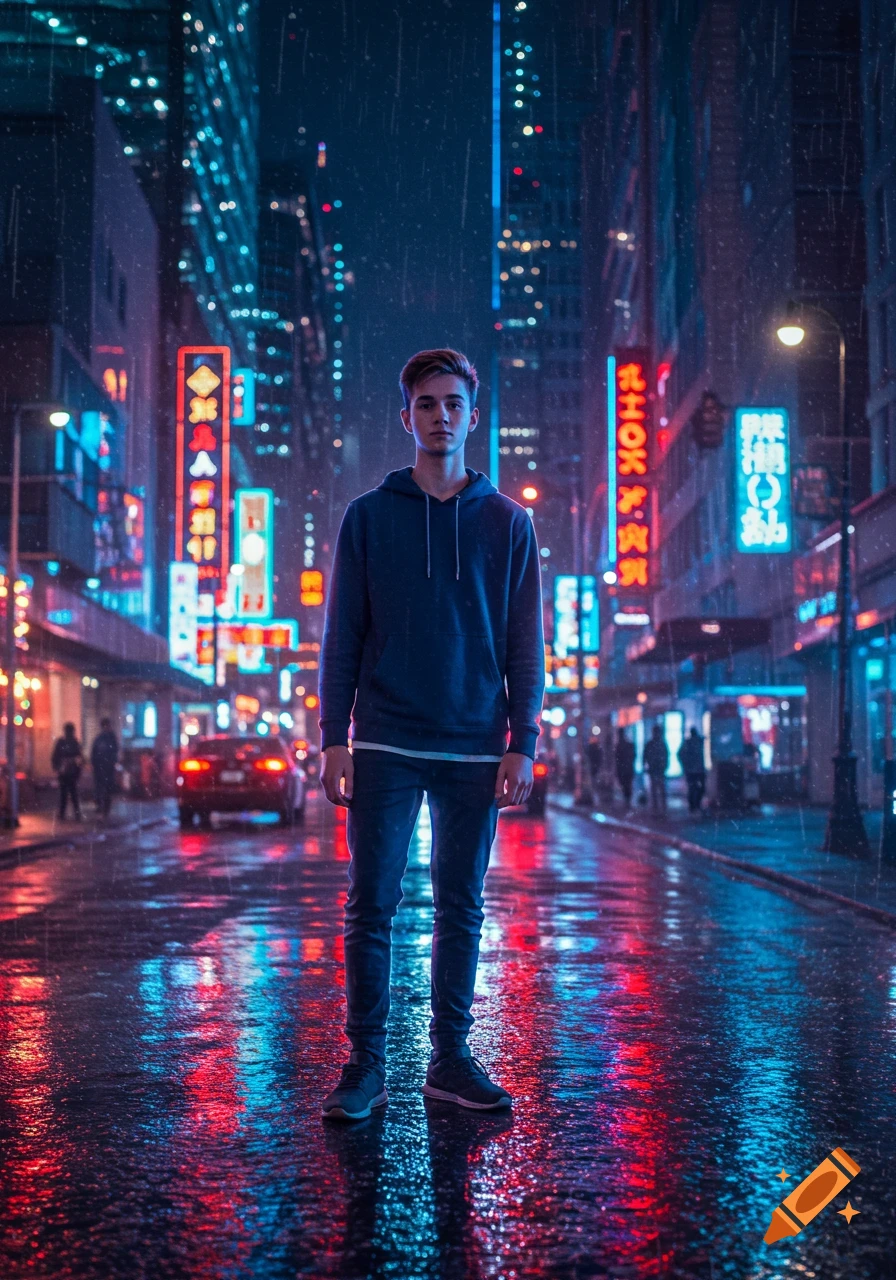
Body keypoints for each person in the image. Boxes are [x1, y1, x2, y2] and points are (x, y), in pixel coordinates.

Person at [319, 348, 544, 1122]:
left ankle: (450, 1060)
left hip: (475, 742)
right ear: (406, 414)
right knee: (371, 904)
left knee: (461, 907)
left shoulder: (509, 523)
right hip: (383, 740)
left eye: (453, 403)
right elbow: (342, 632)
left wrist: (524, 741)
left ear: (472, 416)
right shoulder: (369, 517)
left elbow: (525, 642)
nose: (440, 415)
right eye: (426, 404)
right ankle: (366, 1066)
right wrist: (331, 735)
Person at [52, 722, 83, 820]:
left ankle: (66, 814)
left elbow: (79, 758)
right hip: (67, 771)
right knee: (68, 794)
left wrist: (57, 767)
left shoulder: (70, 742)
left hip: (69, 771)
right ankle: (69, 814)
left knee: (67, 794)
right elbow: (55, 756)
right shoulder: (67, 742)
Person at [90, 717, 119, 819]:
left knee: (105, 788)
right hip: (101, 767)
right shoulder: (102, 738)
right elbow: (94, 752)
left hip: (106, 768)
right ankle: (100, 806)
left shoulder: (109, 738)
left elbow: (114, 752)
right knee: (100, 787)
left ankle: (104, 809)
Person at [679, 726, 707, 813]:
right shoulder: (694, 742)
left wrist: (685, 765)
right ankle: (694, 806)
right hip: (696, 770)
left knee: (694, 788)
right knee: (696, 788)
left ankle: (694, 806)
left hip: (694, 770)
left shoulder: (690, 742)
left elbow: (680, 754)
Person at [642, 724, 669, 814]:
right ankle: (659, 808)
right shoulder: (659, 744)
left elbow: (645, 756)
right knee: (658, 789)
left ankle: (659, 808)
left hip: (657, 769)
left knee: (658, 789)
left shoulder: (654, 744)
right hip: (656, 769)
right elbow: (645, 756)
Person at [614, 728, 636, 808]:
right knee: (626, 785)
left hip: (625, 769)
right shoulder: (624, 745)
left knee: (626, 785)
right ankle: (627, 801)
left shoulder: (620, 746)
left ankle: (627, 801)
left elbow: (617, 759)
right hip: (626, 769)